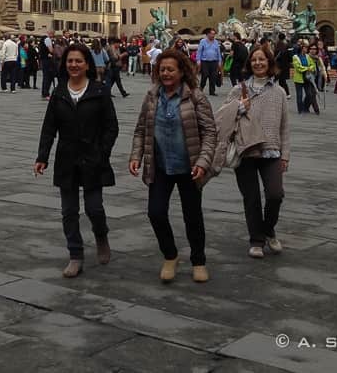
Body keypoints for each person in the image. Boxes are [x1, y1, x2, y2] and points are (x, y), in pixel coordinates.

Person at [129, 49, 216, 283]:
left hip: (189, 166)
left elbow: (209, 132)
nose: (165, 73)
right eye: (162, 69)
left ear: (181, 72)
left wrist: (203, 161)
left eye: (170, 69)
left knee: (193, 217)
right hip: (159, 165)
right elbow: (140, 129)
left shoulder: (195, 96)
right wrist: (136, 155)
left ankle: (198, 261)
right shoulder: (152, 96)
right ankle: (170, 255)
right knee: (155, 213)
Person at [34, 43, 119, 278]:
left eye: (78, 61)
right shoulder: (59, 92)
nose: (73, 65)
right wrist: (42, 156)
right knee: (69, 211)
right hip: (67, 158)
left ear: (87, 64)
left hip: (94, 158)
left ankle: (101, 235)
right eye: (70, 61)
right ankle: (75, 255)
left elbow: (111, 127)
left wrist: (103, 152)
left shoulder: (99, 91)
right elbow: (49, 127)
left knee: (94, 208)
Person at [227, 45, 289, 258]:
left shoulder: (279, 92)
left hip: (271, 150)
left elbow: (285, 127)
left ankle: (268, 228)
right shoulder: (239, 90)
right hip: (246, 149)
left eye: (262, 59)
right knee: (251, 197)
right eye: (254, 60)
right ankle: (256, 239)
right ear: (249, 63)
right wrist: (239, 107)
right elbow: (224, 117)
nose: (258, 63)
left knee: (275, 194)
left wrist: (286, 155)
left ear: (270, 63)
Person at [291, 41, 317, 115]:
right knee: (299, 95)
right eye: (305, 48)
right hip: (299, 78)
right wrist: (307, 69)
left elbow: (313, 65)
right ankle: (300, 109)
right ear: (302, 48)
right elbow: (298, 67)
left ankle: (305, 107)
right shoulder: (295, 57)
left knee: (309, 94)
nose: (307, 49)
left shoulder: (308, 56)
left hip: (307, 78)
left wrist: (310, 68)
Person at [196, 28, 222, 96]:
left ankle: (212, 91)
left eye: (214, 34)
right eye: (212, 34)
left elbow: (218, 52)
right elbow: (199, 51)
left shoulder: (216, 42)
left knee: (213, 76)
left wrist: (219, 61)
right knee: (205, 75)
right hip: (205, 61)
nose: (213, 35)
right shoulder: (203, 41)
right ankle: (201, 88)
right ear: (208, 34)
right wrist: (198, 60)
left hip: (214, 61)